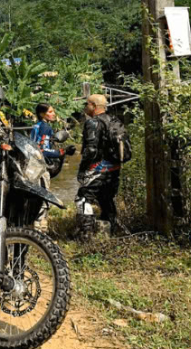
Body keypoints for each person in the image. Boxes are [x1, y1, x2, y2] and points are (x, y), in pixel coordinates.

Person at [75, 94, 124, 241]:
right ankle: (110, 232)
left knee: (83, 198)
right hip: (114, 169)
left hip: (98, 169)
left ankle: (86, 234)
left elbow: (91, 150)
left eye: (87, 104)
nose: (85, 107)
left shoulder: (93, 123)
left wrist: (82, 169)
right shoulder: (115, 120)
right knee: (106, 199)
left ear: (94, 106)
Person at [30, 103, 65, 232]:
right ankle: (40, 228)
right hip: (41, 165)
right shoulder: (45, 128)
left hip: (32, 165)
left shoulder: (36, 126)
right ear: (42, 114)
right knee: (44, 195)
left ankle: (32, 225)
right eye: (50, 112)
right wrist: (60, 153)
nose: (53, 114)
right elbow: (42, 150)